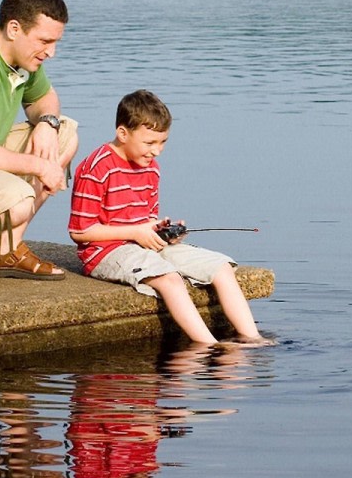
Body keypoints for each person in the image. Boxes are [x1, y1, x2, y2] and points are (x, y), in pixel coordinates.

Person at [68, 89, 270, 346]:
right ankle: (211, 346)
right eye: (150, 143)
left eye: (163, 142)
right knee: (170, 279)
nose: (157, 151)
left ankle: (254, 340)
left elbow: (145, 218)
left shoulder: (150, 166)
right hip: (105, 252)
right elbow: (80, 232)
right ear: (123, 133)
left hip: (143, 243)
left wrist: (162, 230)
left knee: (221, 268)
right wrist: (135, 232)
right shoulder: (96, 168)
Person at [0, 0, 78, 280]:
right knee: (20, 200)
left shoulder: (22, 61)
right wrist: (40, 166)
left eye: (55, 42)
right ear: (14, 28)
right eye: (45, 41)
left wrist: (47, 123)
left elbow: (46, 99)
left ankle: (7, 247)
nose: (51, 52)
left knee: (65, 133)